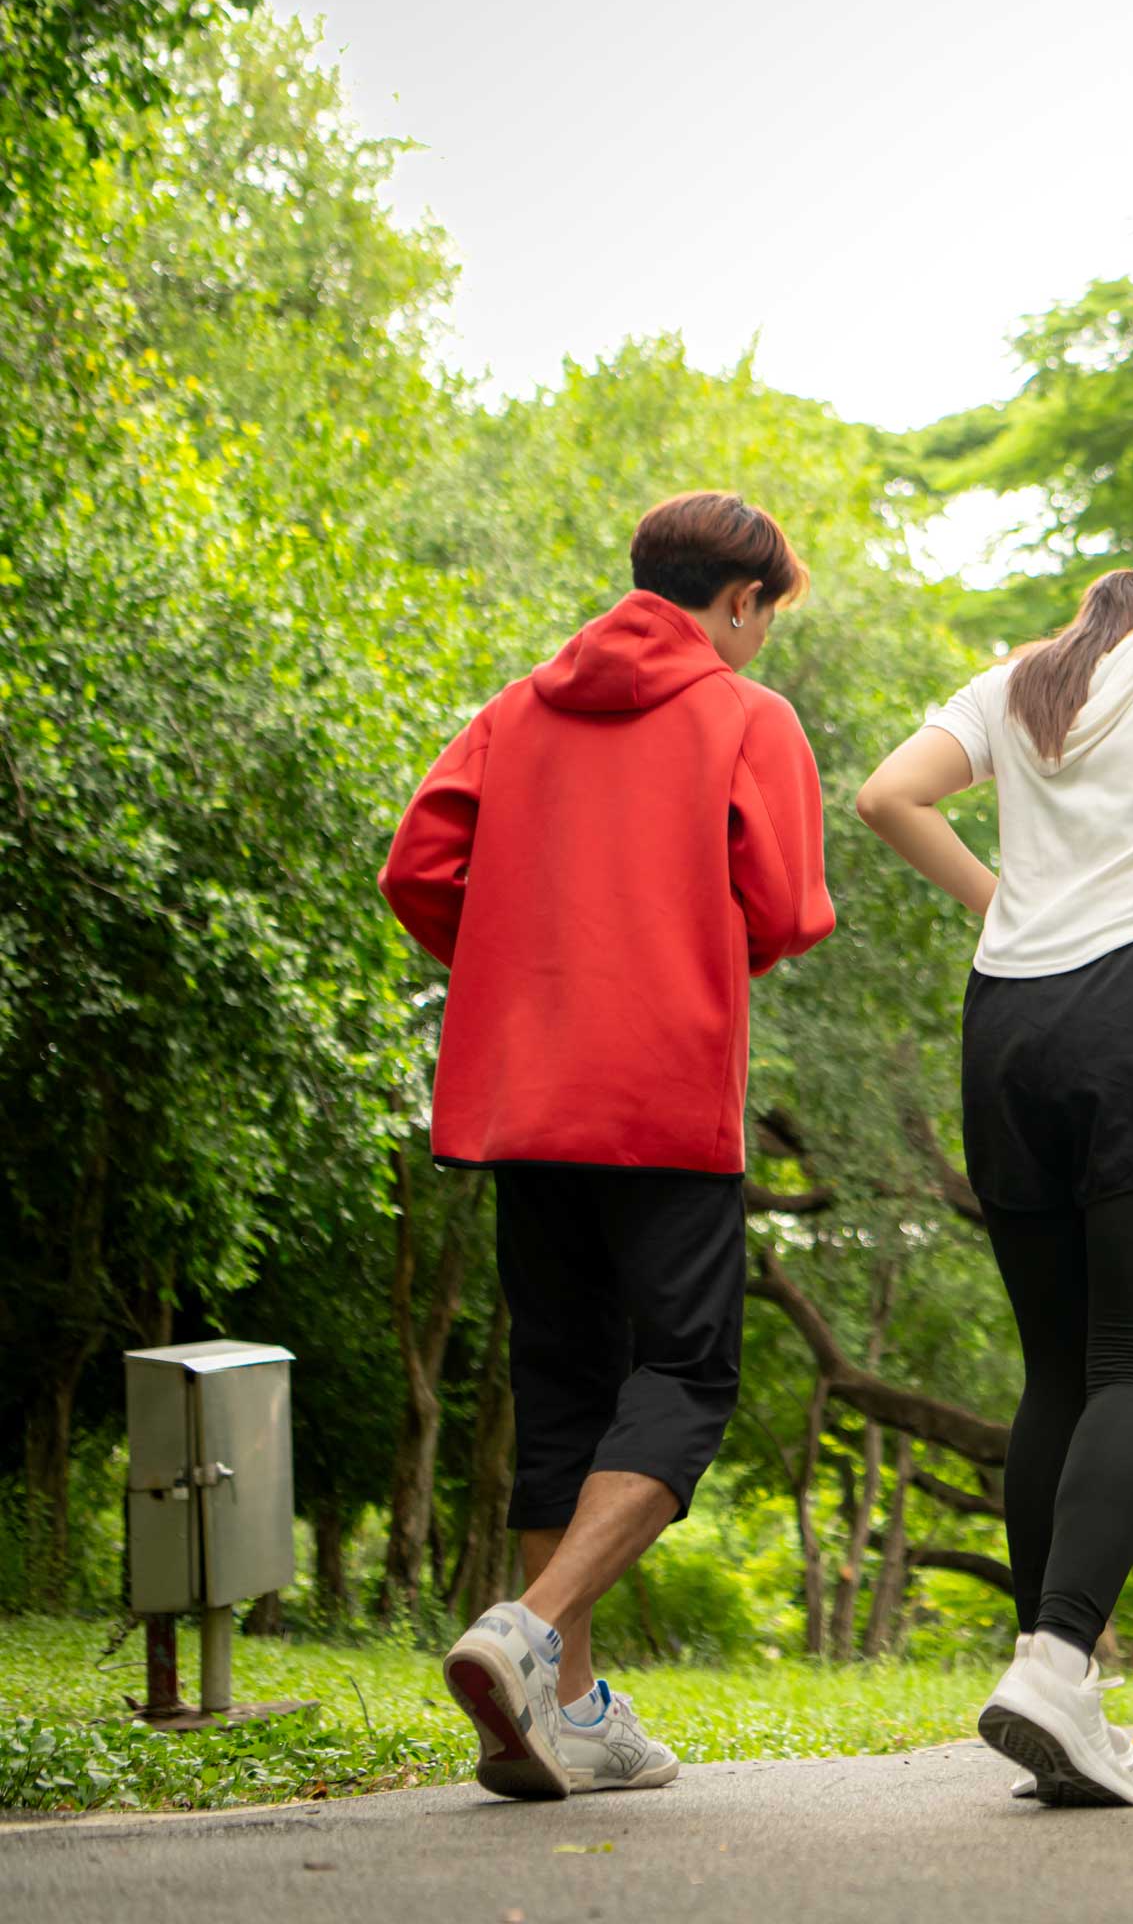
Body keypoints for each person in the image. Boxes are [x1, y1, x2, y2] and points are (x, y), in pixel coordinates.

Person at [381, 490, 837, 1800]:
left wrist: (526, 968)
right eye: (766, 616)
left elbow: (418, 869)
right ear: (741, 601)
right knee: (687, 1373)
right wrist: (680, 954)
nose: (762, 638)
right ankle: (531, 1630)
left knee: (563, 1380)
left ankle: (565, 1710)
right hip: (662, 1093)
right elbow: (786, 907)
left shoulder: (517, 710)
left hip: (527, 1095)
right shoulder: (747, 716)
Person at [854, 529, 1133, 1809]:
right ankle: (1055, 1662)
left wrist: (1009, 899)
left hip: (1009, 1018)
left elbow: (886, 796)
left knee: (1056, 1366)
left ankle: (1054, 1677)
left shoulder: (1029, 673)